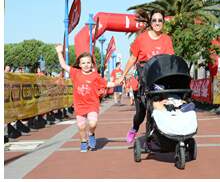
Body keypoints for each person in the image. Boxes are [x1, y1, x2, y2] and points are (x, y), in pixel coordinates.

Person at [117, 9, 175, 143]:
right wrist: (123, 76)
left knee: (164, 105)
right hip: (144, 79)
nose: (157, 23)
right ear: (150, 22)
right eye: (154, 20)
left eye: (160, 20)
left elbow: (171, 59)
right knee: (141, 114)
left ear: (163, 22)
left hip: (160, 78)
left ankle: (163, 133)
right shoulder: (141, 39)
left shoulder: (167, 39)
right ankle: (134, 128)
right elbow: (133, 58)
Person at [55, 44, 114, 152]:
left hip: (92, 104)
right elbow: (63, 65)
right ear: (80, 64)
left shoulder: (95, 76)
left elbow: (106, 83)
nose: (86, 65)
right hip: (80, 105)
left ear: (91, 64)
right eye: (83, 63)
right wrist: (59, 52)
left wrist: (117, 83)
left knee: (93, 123)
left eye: (88, 62)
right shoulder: (75, 73)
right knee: (81, 127)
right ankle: (83, 141)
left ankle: (91, 134)